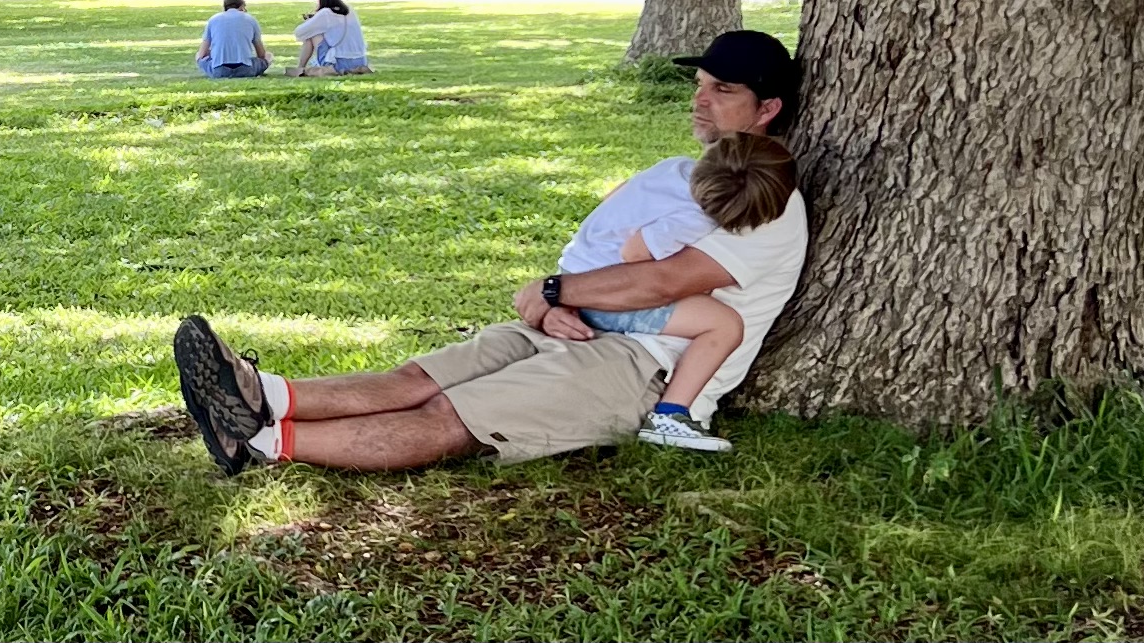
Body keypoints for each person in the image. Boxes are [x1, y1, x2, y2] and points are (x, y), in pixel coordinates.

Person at [172, 28, 806, 472]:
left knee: (450, 416)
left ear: (766, 108)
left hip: (642, 363)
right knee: (415, 379)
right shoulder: (676, 171)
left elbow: (664, 282)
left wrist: (551, 293)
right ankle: (259, 393)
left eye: (722, 90)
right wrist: (550, 302)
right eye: (699, 84)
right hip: (577, 324)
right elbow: (605, 250)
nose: (699, 99)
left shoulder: (765, 199)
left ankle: (261, 442)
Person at [573, 127, 798, 451]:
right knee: (724, 324)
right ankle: (670, 416)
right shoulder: (695, 216)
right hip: (601, 296)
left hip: (577, 270)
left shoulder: (673, 167)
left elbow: (615, 198)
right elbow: (633, 254)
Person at [292, 0, 370, 75]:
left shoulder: (325, 13)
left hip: (339, 63)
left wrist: (312, 21)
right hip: (360, 61)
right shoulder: (350, 10)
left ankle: (300, 68)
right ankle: (301, 68)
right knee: (316, 32)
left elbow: (299, 32)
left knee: (311, 35)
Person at [195, 0, 269, 78]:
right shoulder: (251, 19)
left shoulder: (213, 20)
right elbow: (261, 54)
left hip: (219, 71)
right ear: (241, 7)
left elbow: (202, 54)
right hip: (246, 69)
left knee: (198, 56)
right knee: (269, 56)